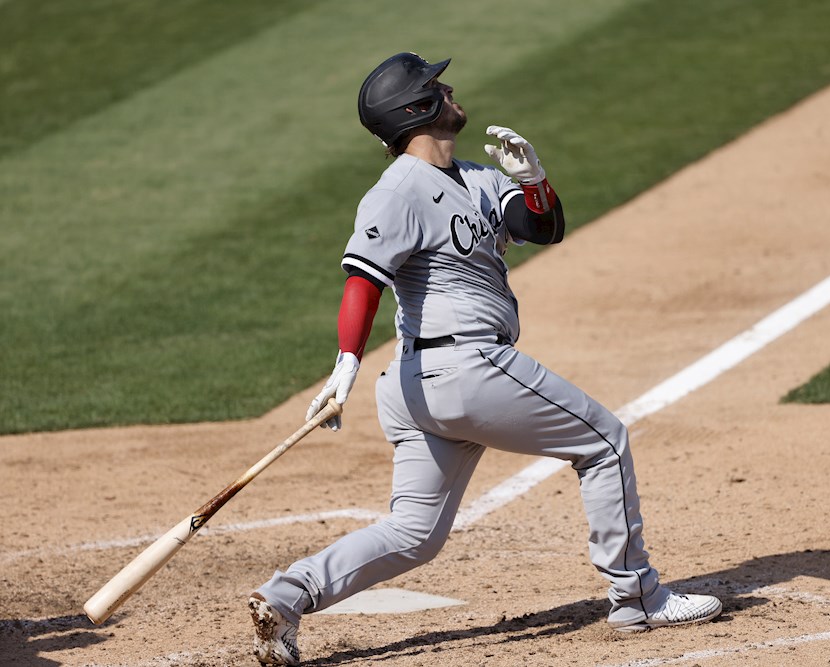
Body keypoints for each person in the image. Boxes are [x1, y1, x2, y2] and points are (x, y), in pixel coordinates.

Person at [248, 52, 721, 666]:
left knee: (414, 535)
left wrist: (534, 180)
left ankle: (285, 598)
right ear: (417, 110)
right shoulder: (395, 193)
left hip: (421, 386)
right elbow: (362, 280)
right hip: (465, 370)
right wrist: (344, 363)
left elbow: (541, 226)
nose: (449, 90)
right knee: (604, 442)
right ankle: (637, 597)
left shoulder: (473, 176)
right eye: (435, 88)